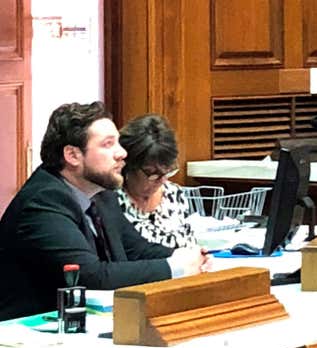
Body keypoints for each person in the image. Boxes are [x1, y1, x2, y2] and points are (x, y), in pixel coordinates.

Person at [0, 101, 209, 321]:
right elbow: (90, 276)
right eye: (108, 144)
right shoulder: (43, 202)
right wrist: (174, 267)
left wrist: (191, 257)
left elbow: (135, 250)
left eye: (118, 142)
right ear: (72, 155)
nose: (122, 153)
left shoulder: (100, 193)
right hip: (25, 336)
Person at [117, 114, 196, 249]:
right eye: (153, 174)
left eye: (167, 172)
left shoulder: (174, 193)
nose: (162, 180)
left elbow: (190, 244)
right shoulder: (111, 202)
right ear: (129, 166)